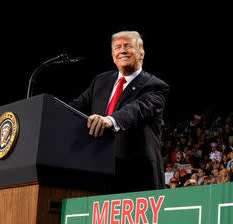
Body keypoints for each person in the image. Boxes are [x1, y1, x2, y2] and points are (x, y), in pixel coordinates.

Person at [70, 31, 169, 192]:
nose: (122, 50)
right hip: (98, 172)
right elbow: (76, 106)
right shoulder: (100, 81)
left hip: (137, 177)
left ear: (141, 53)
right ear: (113, 55)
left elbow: (137, 109)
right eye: (117, 47)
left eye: (128, 46)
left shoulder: (155, 86)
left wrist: (109, 120)